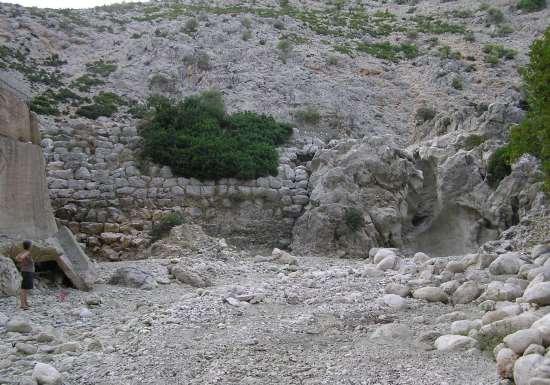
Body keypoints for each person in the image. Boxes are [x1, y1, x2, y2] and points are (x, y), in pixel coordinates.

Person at [15, 240, 34, 310]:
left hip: (26, 272)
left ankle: (25, 302)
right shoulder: (27, 252)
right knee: (24, 289)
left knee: (25, 289)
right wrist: (22, 260)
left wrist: (22, 263)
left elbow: (16, 258)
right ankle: (23, 304)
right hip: (27, 272)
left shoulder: (23, 252)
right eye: (31, 245)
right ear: (29, 246)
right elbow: (20, 258)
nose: (32, 246)